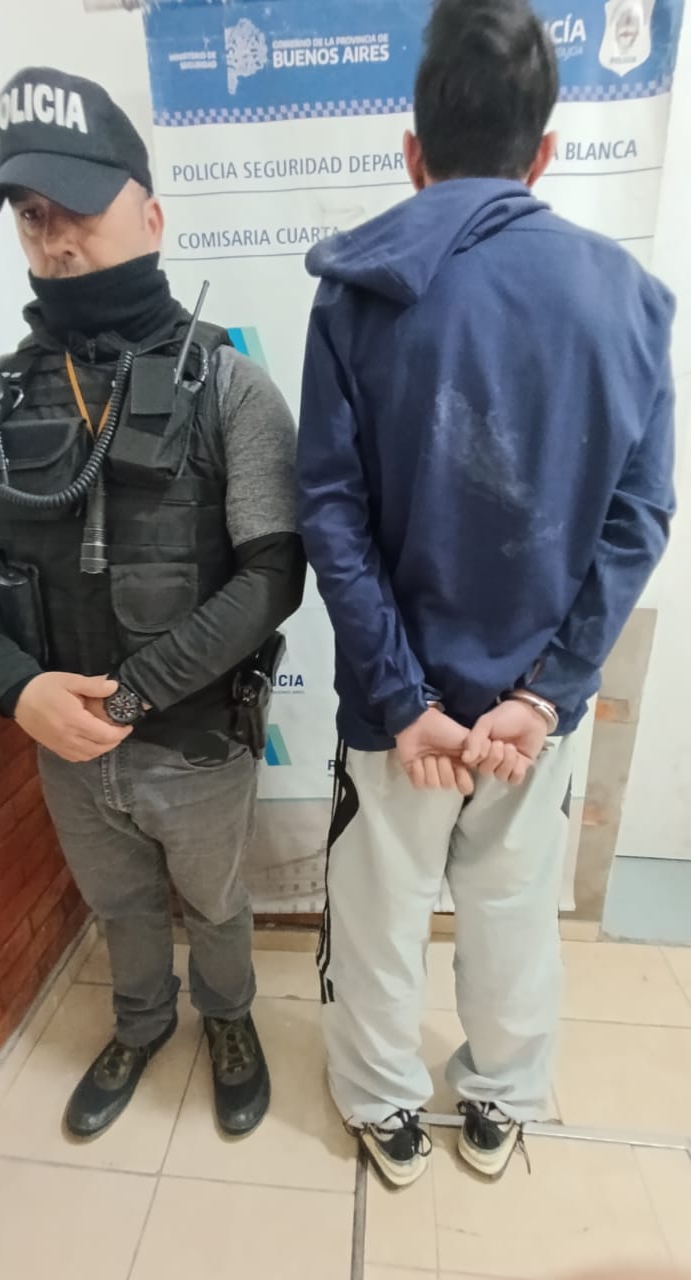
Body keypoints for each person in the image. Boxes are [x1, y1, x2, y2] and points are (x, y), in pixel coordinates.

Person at [297, 0, 675, 1188]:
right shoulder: (630, 300)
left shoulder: (353, 291)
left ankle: (384, 1107)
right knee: (513, 909)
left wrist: (406, 700)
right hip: (526, 714)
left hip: (392, 708)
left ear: (413, 153)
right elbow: (638, 517)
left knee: (377, 911)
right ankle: (500, 1100)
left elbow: (330, 513)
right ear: (544, 152)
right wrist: (545, 694)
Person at [0, 67, 305, 1140]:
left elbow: (274, 572)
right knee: (118, 906)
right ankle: (140, 1021)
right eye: (31, 215)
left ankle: (229, 1018)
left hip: (194, 742)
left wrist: (131, 696)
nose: (55, 236)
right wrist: (17, 689)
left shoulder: (231, 385)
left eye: (77, 204)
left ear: (151, 217)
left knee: (215, 902)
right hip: (62, 748)